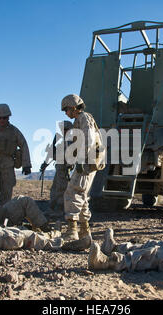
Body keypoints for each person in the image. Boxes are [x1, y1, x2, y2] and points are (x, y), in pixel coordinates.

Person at [60, 94, 105, 249]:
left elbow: (89, 140)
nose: (66, 113)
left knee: (72, 192)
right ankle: (85, 232)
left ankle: (72, 231)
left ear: (73, 107)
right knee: (82, 195)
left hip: (86, 163)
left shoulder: (84, 118)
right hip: (85, 162)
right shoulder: (80, 120)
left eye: (66, 110)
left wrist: (80, 159)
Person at [40, 120, 74, 218]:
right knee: (54, 189)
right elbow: (54, 154)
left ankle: (60, 210)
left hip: (64, 168)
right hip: (59, 167)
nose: (64, 131)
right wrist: (45, 164)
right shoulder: (62, 141)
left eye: (66, 129)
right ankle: (51, 208)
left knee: (61, 189)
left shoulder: (70, 141)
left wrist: (69, 166)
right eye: (63, 129)